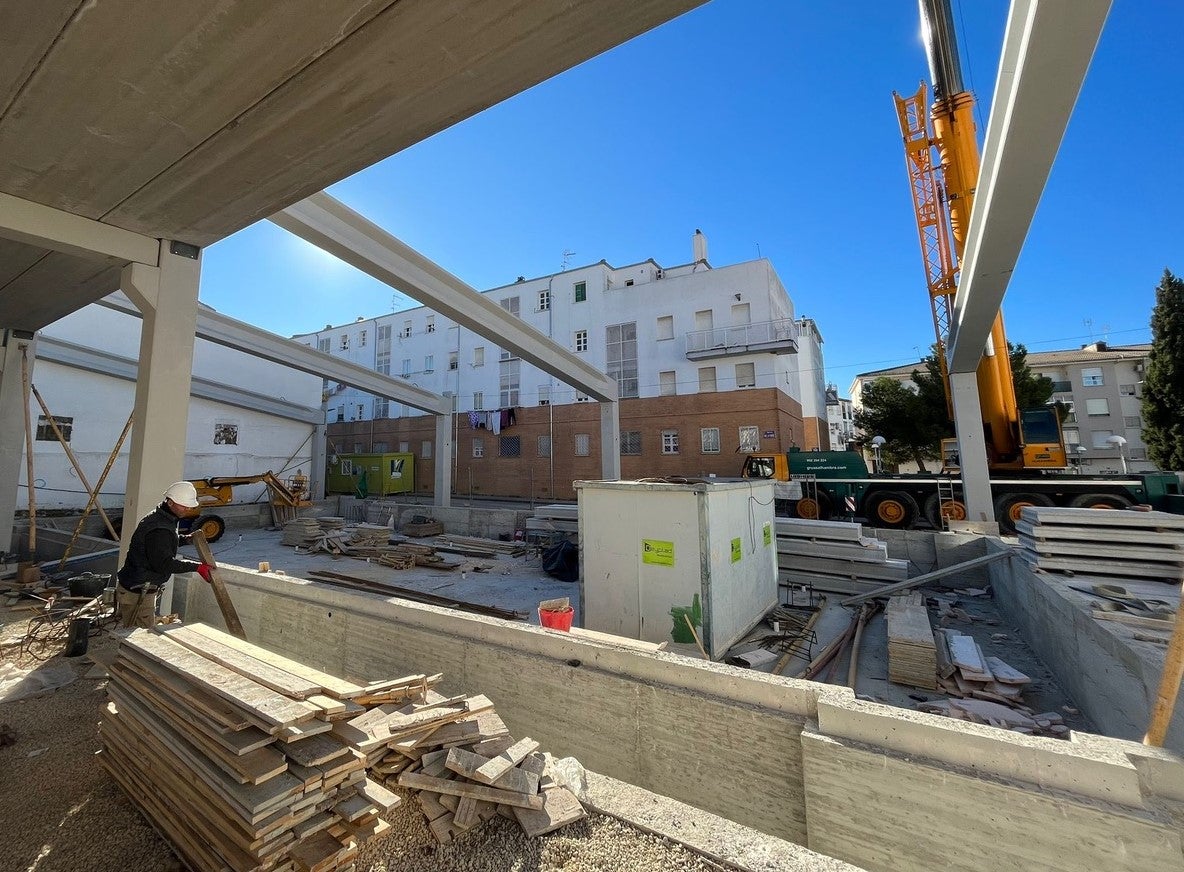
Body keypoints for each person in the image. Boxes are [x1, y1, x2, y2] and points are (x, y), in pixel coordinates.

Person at [116, 481, 214, 628]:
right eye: (183, 505)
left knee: (135, 631)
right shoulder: (160, 527)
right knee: (140, 637)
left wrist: (185, 539)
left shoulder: (161, 518)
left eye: (189, 506)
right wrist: (197, 567)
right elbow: (164, 563)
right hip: (137, 591)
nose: (187, 509)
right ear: (170, 502)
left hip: (136, 585)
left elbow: (162, 545)